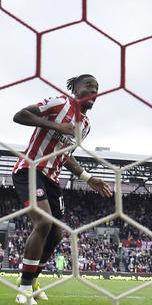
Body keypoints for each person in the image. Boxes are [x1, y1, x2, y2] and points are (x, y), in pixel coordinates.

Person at [12, 74, 113, 305]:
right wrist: (56, 125)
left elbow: (65, 157)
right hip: (30, 168)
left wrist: (88, 178)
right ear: (75, 88)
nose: (93, 90)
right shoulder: (59, 103)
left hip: (52, 179)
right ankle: (25, 290)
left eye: (97, 88)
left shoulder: (85, 126)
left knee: (56, 234)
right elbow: (20, 115)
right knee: (44, 222)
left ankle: (31, 280)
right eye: (88, 85)